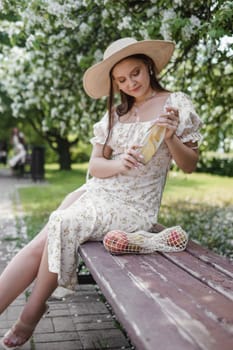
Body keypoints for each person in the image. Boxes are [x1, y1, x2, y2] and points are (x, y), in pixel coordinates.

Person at [0, 37, 202, 349]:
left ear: (148, 66)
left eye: (135, 73)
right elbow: (95, 165)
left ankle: (31, 315)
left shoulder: (175, 104)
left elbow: (189, 164)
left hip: (134, 206)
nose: (129, 83)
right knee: (40, 242)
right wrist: (119, 162)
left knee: (62, 224)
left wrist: (172, 136)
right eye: (120, 79)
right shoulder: (116, 114)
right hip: (96, 191)